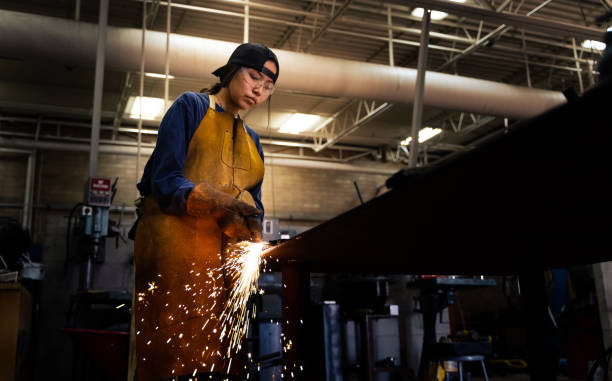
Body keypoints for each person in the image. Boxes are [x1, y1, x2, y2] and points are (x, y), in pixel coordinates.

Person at [131, 43, 279, 381]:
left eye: (268, 86)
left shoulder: (253, 141)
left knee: (220, 360)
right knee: (169, 355)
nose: (259, 89)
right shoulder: (191, 107)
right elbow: (164, 179)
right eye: (253, 76)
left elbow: (254, 208)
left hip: (224, 263)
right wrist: (207, 197)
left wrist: (255, 238)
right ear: (230, 73)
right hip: (174, 252)